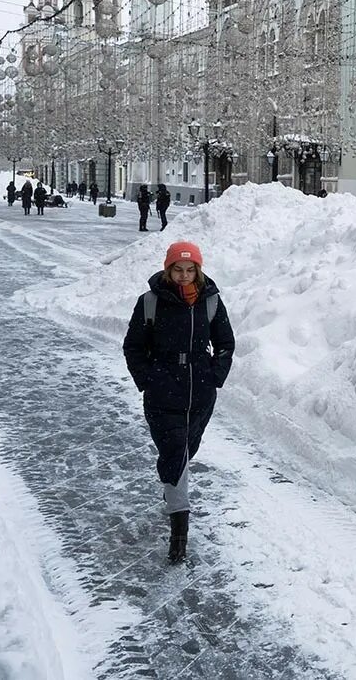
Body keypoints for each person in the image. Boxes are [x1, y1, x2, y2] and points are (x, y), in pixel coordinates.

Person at [122, 241, 235, 563]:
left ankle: (172, 488)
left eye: (190, 269)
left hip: (200, 392)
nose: (184, 275)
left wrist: (215, 375)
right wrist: (147, 380)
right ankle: (179, 534)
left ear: (198, 271)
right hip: (162, 393)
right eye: (178, 269)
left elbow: (225, 343)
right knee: (175, 454)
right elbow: (133, 347)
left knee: (185, 451)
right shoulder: (150, 302)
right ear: (168, 269)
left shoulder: (211, 302)